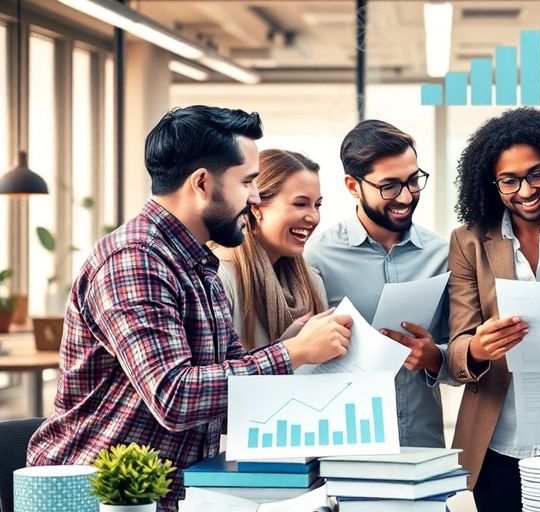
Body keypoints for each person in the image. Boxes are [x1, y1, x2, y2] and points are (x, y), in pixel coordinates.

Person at [26, 106, 352, 510]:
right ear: (201, 183)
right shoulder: (136, 260)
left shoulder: (197, 263)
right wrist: (292, 353)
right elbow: (174, 395)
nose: (253, 198)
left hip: (169, 493)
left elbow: (227, 382)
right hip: (101, 497)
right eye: (247, 182)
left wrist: (289, 344)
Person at [447, 108, 540, 511]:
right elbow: (456, 347)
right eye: (509, 180)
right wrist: (477, 349)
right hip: (499, 441)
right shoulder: (469, 242)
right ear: (492, 184)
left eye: (537, 174)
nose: (525, 190)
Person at [304, 120, 450, 448]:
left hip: (422, 445)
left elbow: (461, 351)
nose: (406, 195)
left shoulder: (443, 255)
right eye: (390, 186)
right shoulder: (317, 257)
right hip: (346, 446)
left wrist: (435, 357)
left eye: (413, 180)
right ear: (353, 186)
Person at [216, 149, 328, 350]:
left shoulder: (312, 283)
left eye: (317, 205)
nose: (314, 218)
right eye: (300, 204)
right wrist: (290, 349)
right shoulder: (221, 277)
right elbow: (211, 376)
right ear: (257, 207)